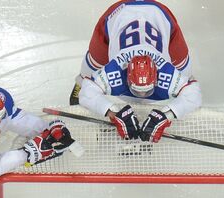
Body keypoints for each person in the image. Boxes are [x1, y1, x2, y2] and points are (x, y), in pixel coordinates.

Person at [73, 0, 202, 142]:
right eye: (138, 91)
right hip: (118, 14)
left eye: (146, 91)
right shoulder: (115, 69)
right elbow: (86, 91)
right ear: (126, 76)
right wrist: (113, 112)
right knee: (86, 75)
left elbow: (194, 93)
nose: (142, 96)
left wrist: (168, 115)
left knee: (184, 73)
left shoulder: (166, 71)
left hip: (160, 16)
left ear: (157, 77)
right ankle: (77, 93)